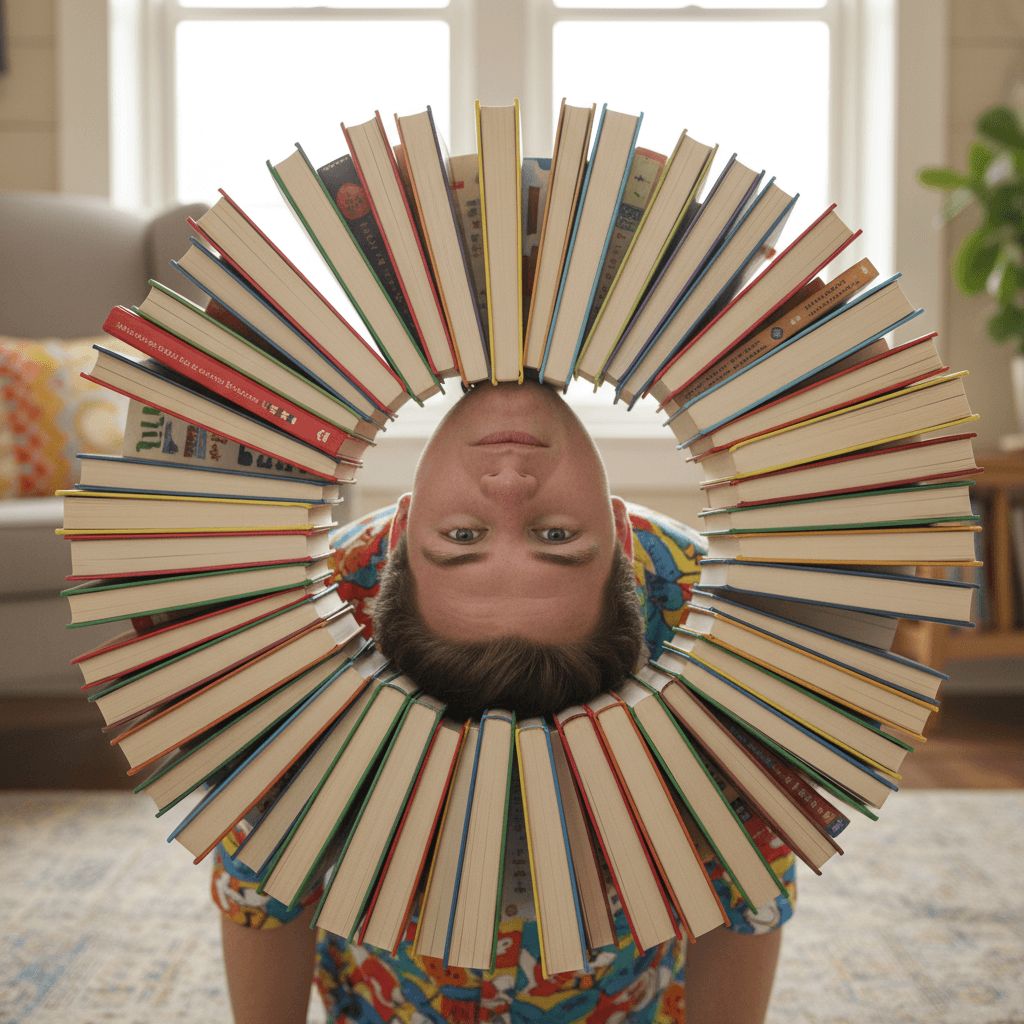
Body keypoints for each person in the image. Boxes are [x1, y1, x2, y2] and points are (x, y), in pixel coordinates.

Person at [212, 381, 796, 1024]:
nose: (511, 484)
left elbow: (743, 896)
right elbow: (264, 894)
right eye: (555, 536)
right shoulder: (305, 637)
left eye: (464, 537)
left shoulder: (717, 635)